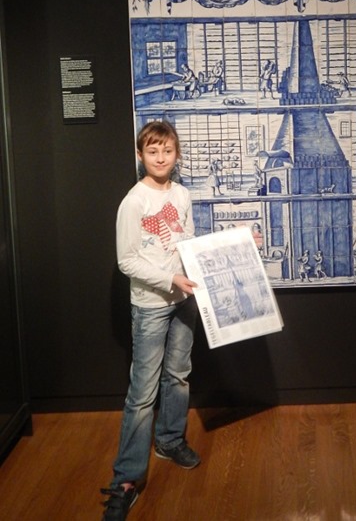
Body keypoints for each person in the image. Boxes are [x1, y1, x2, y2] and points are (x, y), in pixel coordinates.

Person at [100, 120, 201, 520]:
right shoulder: (134, 201)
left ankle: (170, 441)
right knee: (142, 393)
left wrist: (236, 241)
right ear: (140, 155)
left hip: (184, 301)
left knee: (178, 376)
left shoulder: (182, 194)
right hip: (150, 305)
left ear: (177, 155)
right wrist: (169, 279)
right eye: (153, 151)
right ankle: (126, 479)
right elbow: (127, 261)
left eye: (168, 151)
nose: (161, 158)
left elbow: (187, 245)